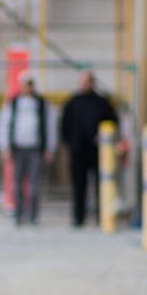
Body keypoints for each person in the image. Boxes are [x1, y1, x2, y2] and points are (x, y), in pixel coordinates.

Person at [0, 72, 56, 225]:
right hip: (18, 149)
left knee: (35, 184)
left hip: (35, 149)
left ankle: (33, 215)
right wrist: (4, 146)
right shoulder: (13, 103)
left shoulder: (42, 104)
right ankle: (19, 214)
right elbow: (4, 124)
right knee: (17, 184)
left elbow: (50, 127)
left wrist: (50, 148)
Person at [59, 70, 118, 227]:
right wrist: (69, 143)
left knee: (102, 185)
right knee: (79, 185)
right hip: (78, 151)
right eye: (83, 81)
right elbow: (64, 125)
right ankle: (79, 218)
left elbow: (113, 121)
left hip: (98, 151)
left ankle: (102, 216)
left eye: (88, 81)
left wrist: (105, 137)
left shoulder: (102, 102)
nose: (85, 84)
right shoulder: (73, 102)